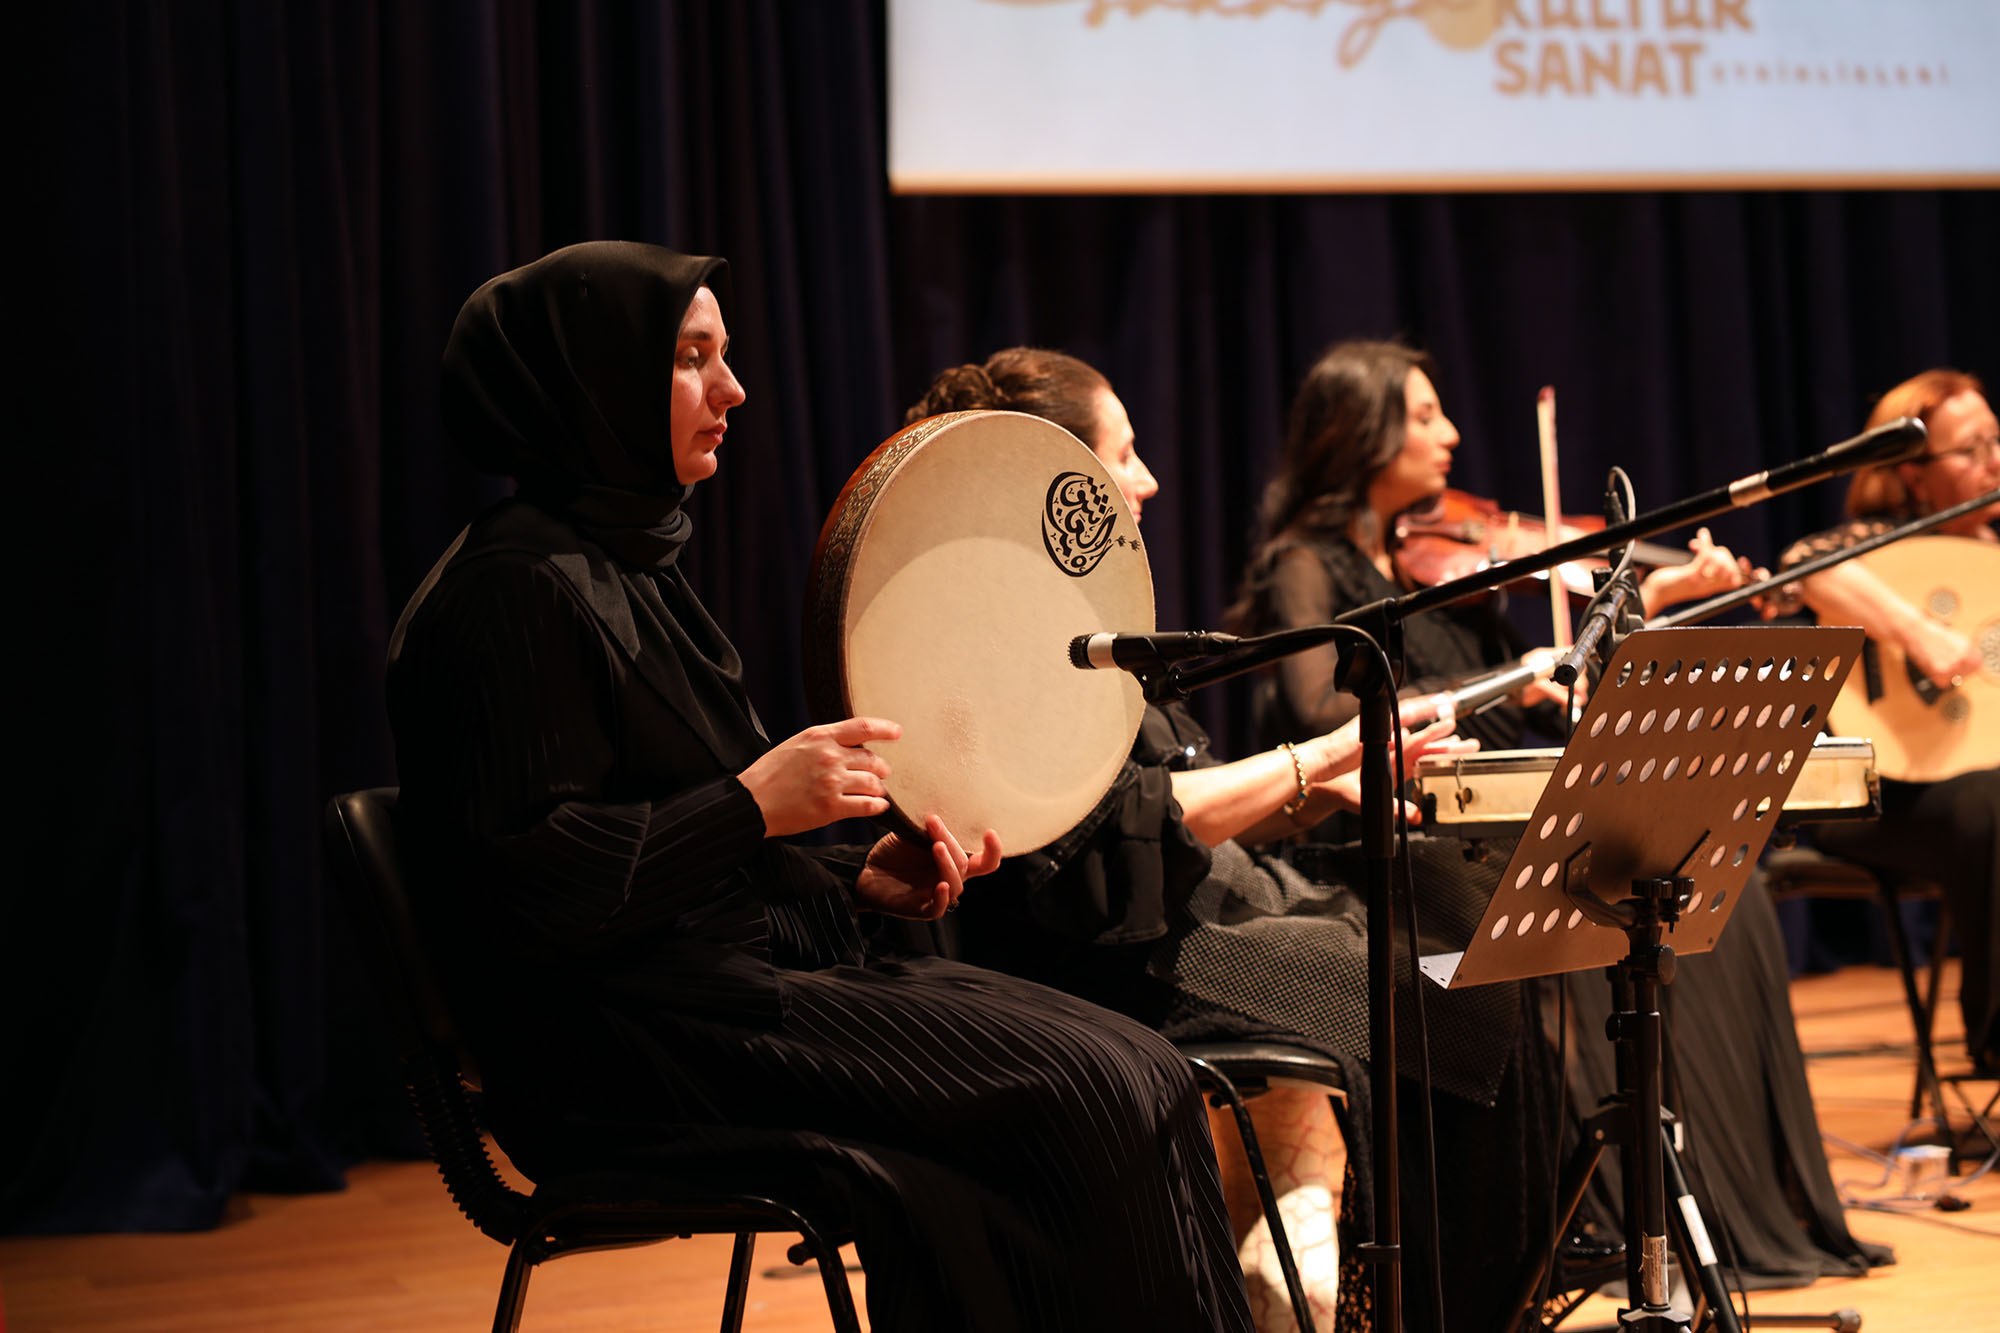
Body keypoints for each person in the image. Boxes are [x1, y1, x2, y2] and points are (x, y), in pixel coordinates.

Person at [386, 243, 1255, 1333]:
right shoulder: (506, 597)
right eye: (691, 359)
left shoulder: (626, 570)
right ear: (589, 380)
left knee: (1140, 1072)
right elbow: (528, 885)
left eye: (727, 354)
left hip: (725, 995)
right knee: (1095, 1092)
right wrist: (752, 803)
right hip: (628, 1049)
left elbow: (685, 856)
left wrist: (856, 885)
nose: (732, 389)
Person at [904, 348, 1559, 1333]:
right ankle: (1427, 1305)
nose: (1147, 479)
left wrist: (1326, 783)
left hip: (1187, 912)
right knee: (1424, 995)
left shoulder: (1088, 607)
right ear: (1058, 479)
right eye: (1121, 456)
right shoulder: (1001, 635)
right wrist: (1316, 756)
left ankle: (1461, 1302)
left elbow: (1175, 804)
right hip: (1119, 956)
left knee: (1465, 953)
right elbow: (1124, 822)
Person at [1232, 338, 1888, 1295]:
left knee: (1701, 893)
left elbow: (1556, 687)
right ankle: (1599, 1212)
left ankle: (1726, 1209)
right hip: (1382, 845)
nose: (1451, 433)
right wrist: (1488, 684)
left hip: (1487, 818)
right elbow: (1314, 714)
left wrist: (1643, 604)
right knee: (1599, 903)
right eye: (1422, 415)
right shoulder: (1308, 564)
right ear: (1358, 430)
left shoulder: (1427, 562)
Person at [1767, 368, 2000, 1072]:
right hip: (1880, 793)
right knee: (1993, 804)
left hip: (1974, 780)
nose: (1993, 459)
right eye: (1970, 447)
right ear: (1912, 476)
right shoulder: (1880, 543)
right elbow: (1803, 564)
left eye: (1996, 438)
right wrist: (1918, 634)